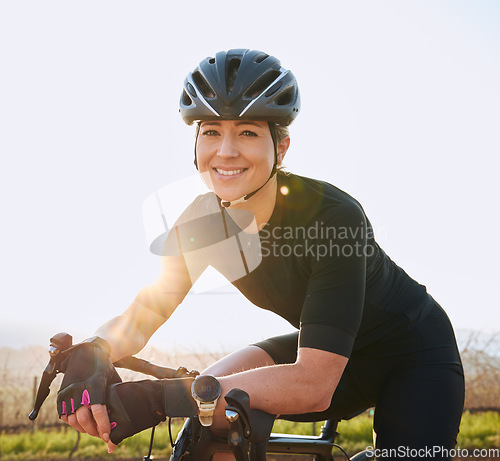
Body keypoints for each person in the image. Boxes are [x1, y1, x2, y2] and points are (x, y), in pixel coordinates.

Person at [57, 49, 465, 460]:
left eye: (248, 133)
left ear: (281, 147)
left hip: (411, 354)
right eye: (212, 132)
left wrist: (157, 398)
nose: (226, 152)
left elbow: (313, 384)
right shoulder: (201, 224)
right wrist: (94, 350)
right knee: (204, 411)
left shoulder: (333, 216)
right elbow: (143, 314)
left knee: (197, 395)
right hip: (321, 346)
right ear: (196, 142)